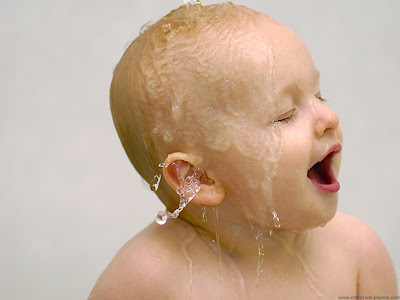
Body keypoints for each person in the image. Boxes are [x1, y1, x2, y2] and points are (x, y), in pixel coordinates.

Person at [90, 3, 398, 299]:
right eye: (285, 114)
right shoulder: (148, 281)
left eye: (320, 96)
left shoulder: (356, 256)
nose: (329, 118)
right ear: (198, 177)